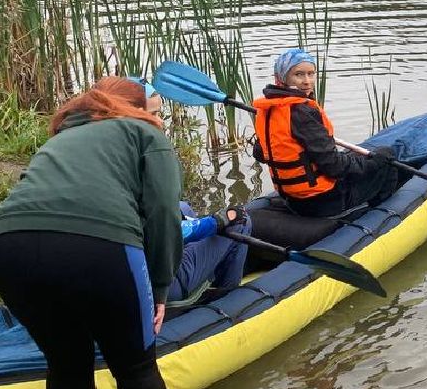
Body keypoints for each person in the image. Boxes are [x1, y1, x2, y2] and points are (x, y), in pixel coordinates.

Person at [0, 77, 183, 389]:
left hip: (10, 243)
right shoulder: (146, 133)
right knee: (135, 369)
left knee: (65, 365)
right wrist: (160, 287)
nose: (156, 116)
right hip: (100, 244)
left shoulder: (60, 138)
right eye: (154, 108)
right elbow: (164, 212)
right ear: (134, 107)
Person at [252, 48, 401, 218]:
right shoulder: (302, 113)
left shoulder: (268, 110)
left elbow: (260, 154)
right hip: (324, 201)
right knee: (386, 156)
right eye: (299, 75)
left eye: (311, 73)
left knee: (357, 156)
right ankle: (381, 215)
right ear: (282, 78)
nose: (307, 81)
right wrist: (375, 162)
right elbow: (334, 167)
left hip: (292, 197)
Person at [170, 202, 249, 304]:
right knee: (242, 222)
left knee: (183, 207)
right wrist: (220, 220)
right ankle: (227, 298)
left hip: (153, 260)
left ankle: (203, 267)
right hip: (169, 281)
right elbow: (173, 231)